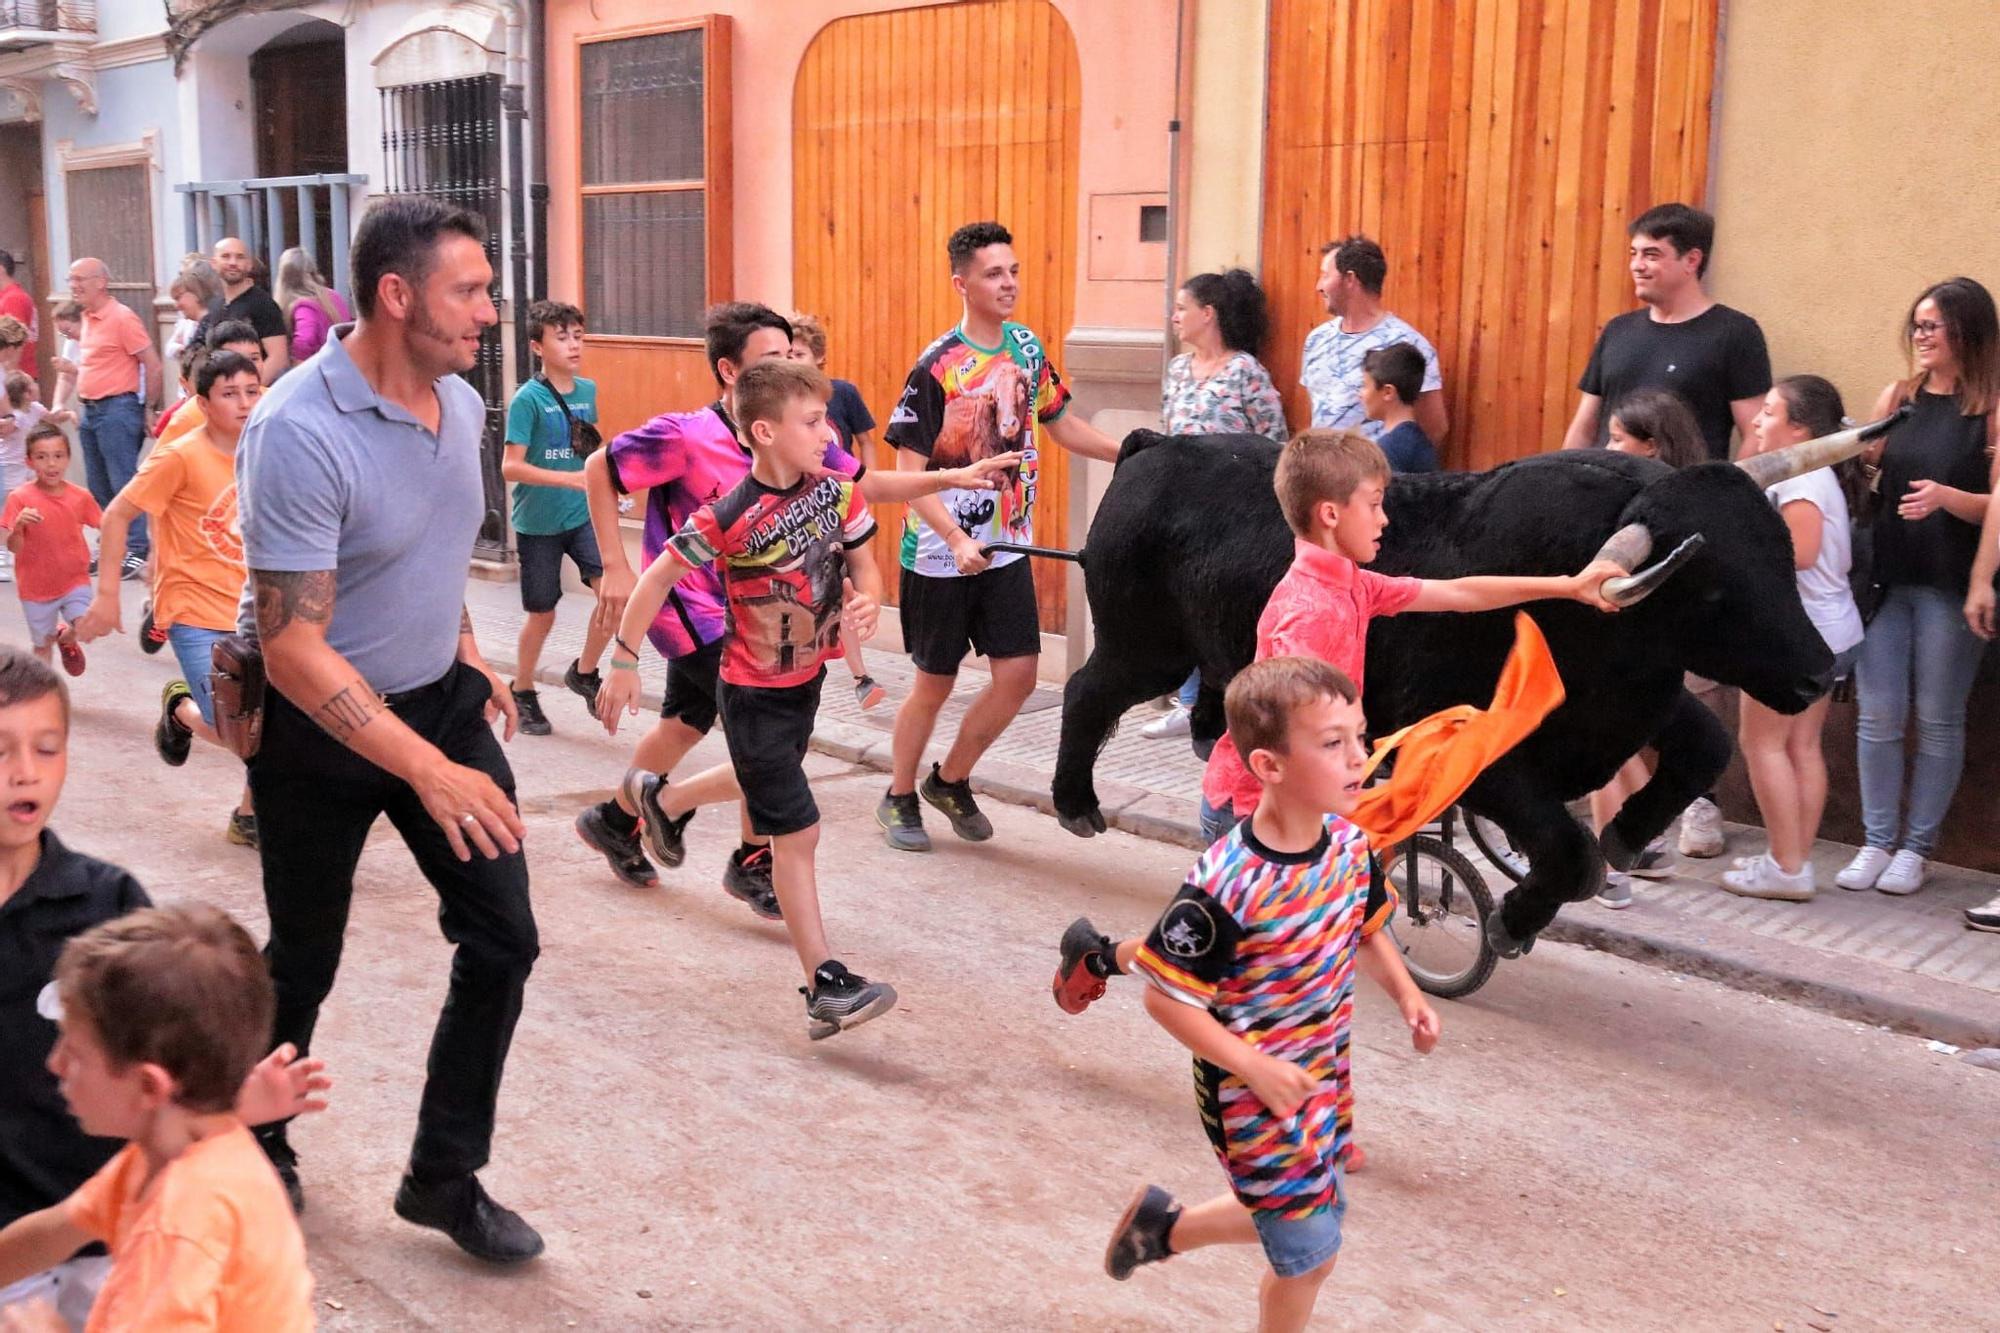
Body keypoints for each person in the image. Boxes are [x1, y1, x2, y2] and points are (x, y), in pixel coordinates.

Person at [1053, 426, 1622, 1005]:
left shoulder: (1352, 585)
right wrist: (1348, 797)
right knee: (1219, 960)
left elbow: (1458, 594)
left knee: (1266, 946)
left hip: (1299, 808)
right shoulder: (1309, 616)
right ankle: (1103, 960)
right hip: (1256, 814)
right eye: (1374, 505)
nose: (1385, 520)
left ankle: (1123, 966)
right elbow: (1277, 740)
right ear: (1330, 514)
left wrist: (1568, 586)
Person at [238, 195, 544, 1261]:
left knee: (504, 937)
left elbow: (426, 545)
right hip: (316, 729)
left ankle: (442, 1176)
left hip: (437, 699)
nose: (491, 312)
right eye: (471, 291)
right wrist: (428, 772)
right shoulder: (297, 430)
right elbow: (292, 646)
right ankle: (254, 1133)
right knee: (304, 953)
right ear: (397, 295)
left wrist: (463, 644)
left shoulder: (458, 403)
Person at [578, 302, 1018, 901]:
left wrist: (947, 478)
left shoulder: (800, 440)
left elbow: (865, 485)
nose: (791, 364)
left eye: (791, 353)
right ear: (731, 372)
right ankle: (748, 855)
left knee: (685, 724)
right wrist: (615, 566)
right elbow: (600, 466)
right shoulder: (686, 434)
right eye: (773, 356)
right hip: (704, 612)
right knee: (770, 749)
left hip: (769, 613)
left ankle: (616, 819)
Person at [1098, 656, 1439, 1332]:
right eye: (1333, 743)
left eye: (1360, 736)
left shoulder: (1349, 846)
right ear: (1269, 766)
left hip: (1320, 1074)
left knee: (1312, 1209)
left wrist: (1407, 995)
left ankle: (1161, 1229)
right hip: (1248, 1093)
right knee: (1310, 1255)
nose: (1359, 757)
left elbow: (1367, 928)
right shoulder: (1225, 882)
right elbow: (1165, 996)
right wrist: (1254, 1067)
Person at [0, 650, 330, 1330]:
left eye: (47, 748)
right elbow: (58, 1225)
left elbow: (168, 1046)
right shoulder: (146, 1165)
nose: (26, 770)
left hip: (96, 1261)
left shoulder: (177, 1224)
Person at [599, 358, 900, 1038]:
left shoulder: (838, 492)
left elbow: (864, 565)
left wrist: (870, 600)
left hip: (806, 684)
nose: (829, 435)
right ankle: (825, 983)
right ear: (765, 431)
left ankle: (663, 801)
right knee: (798, 830)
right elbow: (656, 578)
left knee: (766, 780)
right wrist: (622, 658)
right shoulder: (727, 514)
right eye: (813, 422)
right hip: (752, 694)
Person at [877, 220, 1123, 853]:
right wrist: (957, 539)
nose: (1009, 282)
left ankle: (949, 780)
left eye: (1013, 270)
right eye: (994, 273)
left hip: (1007, 547)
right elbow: (908, 478)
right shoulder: (937, 367)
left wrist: (1131, 452)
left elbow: (1062, 424)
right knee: (934, 684)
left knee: (1017, 676)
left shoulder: (1027, 349)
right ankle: (898, 795)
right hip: (940, 556)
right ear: (962, 284)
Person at [0, 905, 315, 1331]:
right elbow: (52, 1233)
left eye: (73, 1053)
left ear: (150, 1087)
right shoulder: (164, 1153)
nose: (54, 1064)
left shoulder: (180, 1225)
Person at [1835, 277, 2000, 898]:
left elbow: (1999, 505)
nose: (1921, 336)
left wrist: (1947, 498)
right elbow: (1868, 474)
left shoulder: (1990, 410)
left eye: (1933, 325)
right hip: (1887, 578)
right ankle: (1876, 841)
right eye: (1917, 325)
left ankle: (1916, 849)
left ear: (1967, 331)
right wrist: (1863, 458)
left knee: (1937, 719)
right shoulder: (1899, 396)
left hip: (1949, 585)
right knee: (1877, 715)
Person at [75, 350, 264, 847]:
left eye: (252, 390)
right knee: (233, 726)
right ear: (203, 403)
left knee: (267, 725)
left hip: (255, 611)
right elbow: (117, 514)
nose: (245, 403)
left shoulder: (269, 445)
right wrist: (107, 596)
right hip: (195, 612)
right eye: (230, 394)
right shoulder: (180, 455)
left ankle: (249, 817)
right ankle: (180, 707)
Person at [1719, 376, 1864, 902]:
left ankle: (1786, 866)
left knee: (1763, 744)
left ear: (1799, 428)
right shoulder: (1812, 473)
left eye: (1770, 411)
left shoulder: (1802, 480)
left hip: (1796, 636)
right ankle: (1792, 860)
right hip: (1828, 631)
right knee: (1800, 745)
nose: (1757, 420)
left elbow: (1798, 554)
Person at [1142, 269, 1291, 742]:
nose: (1174, 317)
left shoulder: (1246, 372)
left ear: (1208, 314)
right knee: (1179, 606)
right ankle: (1188, 704)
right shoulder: (1176, 370)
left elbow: (1274, 442)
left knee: (1222, 609)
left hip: (1233, 516)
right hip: (1180, 513)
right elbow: (1167, 435)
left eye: (1182, 308)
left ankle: (1229, 706)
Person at [1588, 387, 1707, 907]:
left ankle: (1609, 873)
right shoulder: (1691, 495)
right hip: (1660, 645)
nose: (1609, 449)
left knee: (1597, 749)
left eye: (1618, 439)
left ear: (1652, 445)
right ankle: (1648, 847)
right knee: (1624, 746)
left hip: (1626, 642)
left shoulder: (1643, 505)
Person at [1561, 202, 1771, 464]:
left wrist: (1725, 485)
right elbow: (1584, 427)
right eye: (1634, 253)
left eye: (1651, 255)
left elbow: (1755, 434)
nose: (1637, 265)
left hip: (1684, 487)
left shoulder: (1735, 334)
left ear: (1691, 260)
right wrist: (1564, 477)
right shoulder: (1617, 330)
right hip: (1610, 483)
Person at [502, 299, 606, 736]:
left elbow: (592, 449)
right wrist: (568, 480)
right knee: (542, 615)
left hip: (582, 517)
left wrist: (607, 483)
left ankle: (584, 671)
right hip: (538, 523)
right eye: (562, 338)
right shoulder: (527, 400)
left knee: (615, 596)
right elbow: (511, 467)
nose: (573, 345)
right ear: (537, 346)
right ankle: (522, 689)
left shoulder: (587, 391)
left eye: (578, 336)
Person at [788, 311, 889, 709]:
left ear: (818, 357)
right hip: (803, 513)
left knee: (847, 588)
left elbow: (867, 441)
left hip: (842, 505)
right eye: (786, 355)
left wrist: (867, 487)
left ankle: (861, 676)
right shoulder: (781, 406)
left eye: (799, 353)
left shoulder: (842, 393)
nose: (792, 361)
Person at [1301, 235, 1447, 444]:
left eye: (1325, 276)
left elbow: (1434, 428)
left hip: (1376, 463)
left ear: (1350, 279)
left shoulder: (1408, 344)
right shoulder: (1316, 340)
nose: (1319, 286)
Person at [68, 257, 161, 579]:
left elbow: (152, 364)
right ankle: (114, 545)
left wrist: (148, 408)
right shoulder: (87, 318)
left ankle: (137, 548)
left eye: (80, 279)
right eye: (71, 279)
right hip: (91, 410)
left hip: (117, 409)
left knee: (123, 481)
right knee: (98, 484)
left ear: (101, 282)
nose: (74, 285)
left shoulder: (122, 317)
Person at [2, 425, 97, 675]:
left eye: (58, 455)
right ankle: (42, 692)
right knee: (42, 646)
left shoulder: (80, 496)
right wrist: (19, 526)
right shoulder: (19, 498)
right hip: (35, 588)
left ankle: (67, 638)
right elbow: (13, 546)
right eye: (41, 457)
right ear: (29, 461)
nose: (51, 464)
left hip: (75, 580)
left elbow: (108, 525)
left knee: (86, 627)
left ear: (68, 458)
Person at [211, 237, 288, 382]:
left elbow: (278, 358)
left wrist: (250, 390)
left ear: (249, 264)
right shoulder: (215, 305)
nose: (233, 262)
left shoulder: (263, 304)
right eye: (226, 256)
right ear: (213, 263)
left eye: (240, 257)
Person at [1358, 342, 1439, 473]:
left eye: (1365, 386)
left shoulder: (1389, 449)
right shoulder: (1416, 440)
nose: (1360, 394)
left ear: (1388, 392)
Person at [276, 247, 351, 367]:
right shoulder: (333, 296)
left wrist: (298, 368)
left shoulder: (303, 306)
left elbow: (304, 340)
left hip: (320, 369)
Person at [0, 249, 37, 379]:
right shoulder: (8, 297)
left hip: (15, 376)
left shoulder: (13, 298)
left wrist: (12, 377)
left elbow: (15, 341)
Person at [47, 301, 82, 418]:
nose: (68, 336)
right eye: (62, 333)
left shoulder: (97, 339)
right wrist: (58, 403)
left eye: (68, 330)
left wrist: (73, 369)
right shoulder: (72, 340)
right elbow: (66, 376)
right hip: (86, 401)